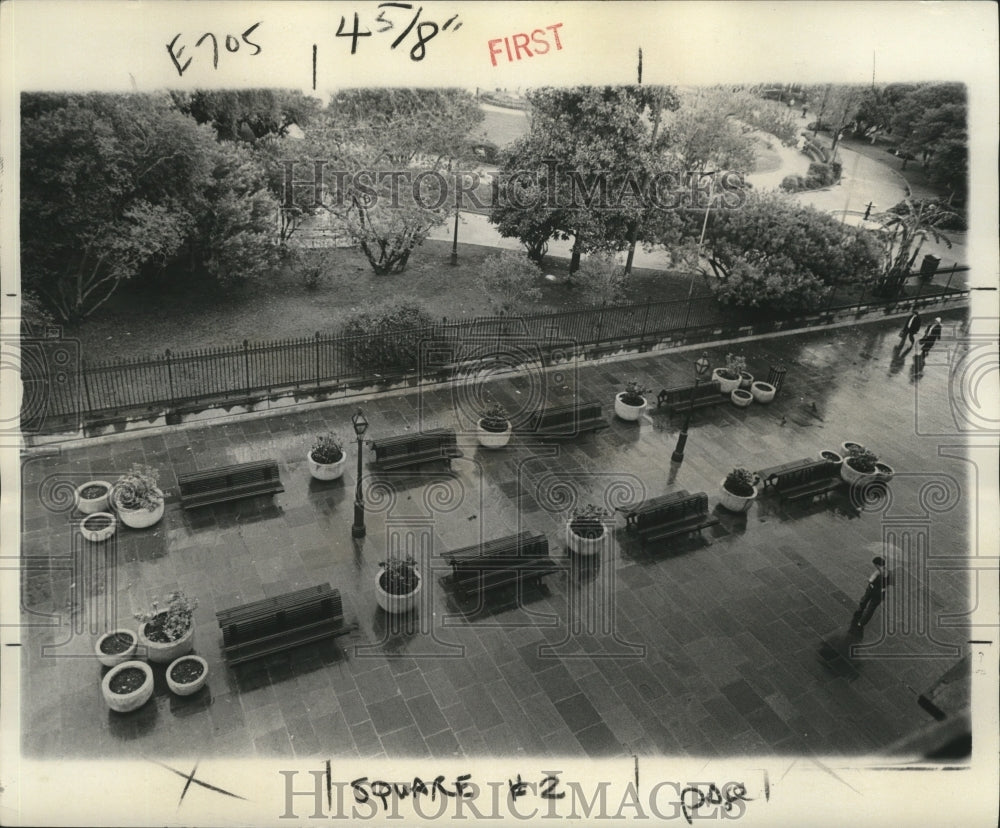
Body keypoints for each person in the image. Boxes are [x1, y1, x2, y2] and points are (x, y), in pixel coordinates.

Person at [852, 556, 890, 630]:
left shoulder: (877, 572)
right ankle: (861, 623)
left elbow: (870, 580)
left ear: (878, 565)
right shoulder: (887, 572)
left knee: (865, 600)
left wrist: (871, 579)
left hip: (872, 590)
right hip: (880, 593)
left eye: (875, 565)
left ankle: (860, 610)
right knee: (871, 608)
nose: (874, 566)